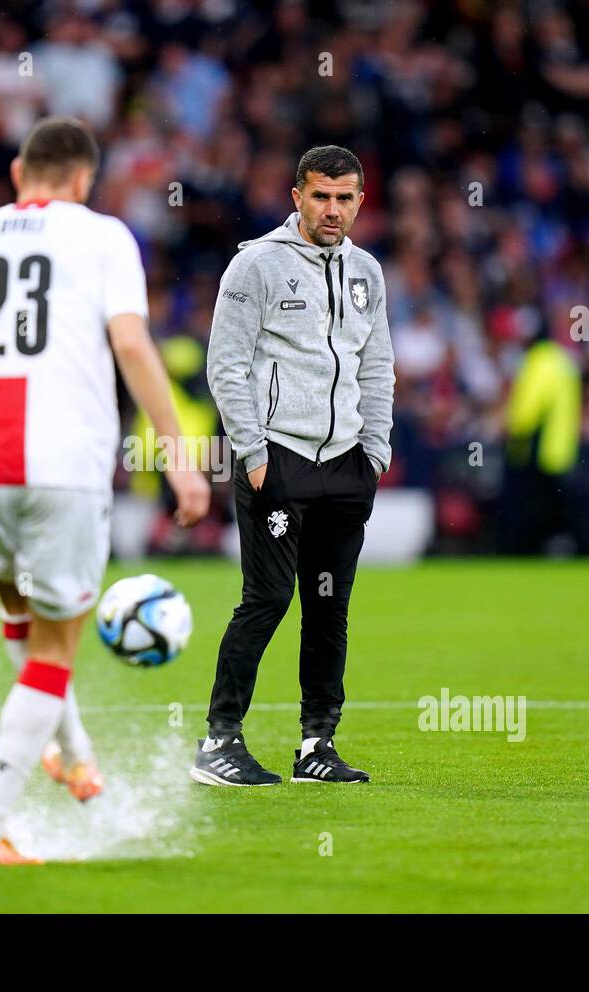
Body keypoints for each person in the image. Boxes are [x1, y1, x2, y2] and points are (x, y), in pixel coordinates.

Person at [0, 117, 210, 864]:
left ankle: (74, 755)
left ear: (20, 173)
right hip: (61, 460)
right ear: (84, 181)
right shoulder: (105, 235)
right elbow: (129, 342)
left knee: (21, 614)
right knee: (59, 643)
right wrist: (180, 456)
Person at [193, 145, 394, 786]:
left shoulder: (367, 272)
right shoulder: (255, 264)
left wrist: (376, 450)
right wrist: (252, 454)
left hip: (346, 463)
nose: (332, 210)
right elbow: (225, 364)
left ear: (361, 200)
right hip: (277, 456)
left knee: (329, 606)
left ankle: (316, 746)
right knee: (269, 597)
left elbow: (376, 365)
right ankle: (218, 741)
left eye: (345, 198)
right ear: (296, 197)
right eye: (320, 196)